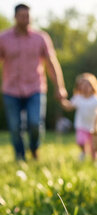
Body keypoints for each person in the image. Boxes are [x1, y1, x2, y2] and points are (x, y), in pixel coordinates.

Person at [0, 3, 67, 161]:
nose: (26, 19)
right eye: (22, 16)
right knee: (15, 127)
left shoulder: (40, 38)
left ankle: (35, 148)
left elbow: (51, 63)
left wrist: (60, 87)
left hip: (35, 88)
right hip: (11, 90)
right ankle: (20, 156)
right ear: (15, 17)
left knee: (35, 123)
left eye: (28, 16)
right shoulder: (3, 38)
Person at [61, 73, 97, 161]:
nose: (85, 87)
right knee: (80, 141)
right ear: (79, 87)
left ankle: (94, 161)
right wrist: (62, 100)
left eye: (88, 85)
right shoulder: (78, 98)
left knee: (94, 146)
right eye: (83, 85)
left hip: (95, 127)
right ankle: (83, 151)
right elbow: (69, 106)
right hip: (82, 125)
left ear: (93, 86)